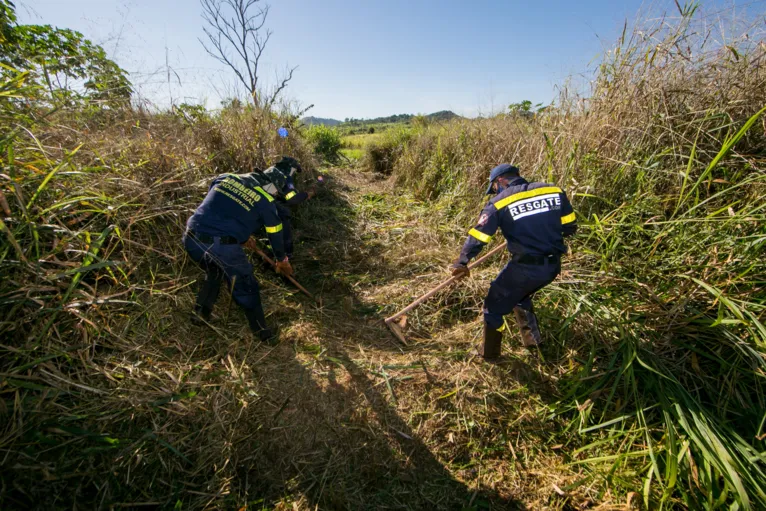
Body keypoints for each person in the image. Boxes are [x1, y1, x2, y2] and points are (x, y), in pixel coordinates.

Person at [450, 164, 577, 360]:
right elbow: (569, 226)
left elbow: (478, 236)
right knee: (519, 294)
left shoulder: (499, 203)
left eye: (493, 187)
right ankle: (533, 342)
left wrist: (462, 262)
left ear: (500, 181)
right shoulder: (553, 190)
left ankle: (489, 355)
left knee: (493, 307)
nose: (494, 191)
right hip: (552, 266)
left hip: (526, 267)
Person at [183, 171, 294, 344]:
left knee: (215, 271)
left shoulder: (226, 177)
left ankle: (200, 314)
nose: (274, 194)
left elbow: (222, 208)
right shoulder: (265, 201)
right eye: (275, 190)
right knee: (246, 284)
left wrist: (240, 237)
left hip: (191, 238)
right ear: (270, 185)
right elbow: (275, 232)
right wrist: (282, 260)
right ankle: (262, 332)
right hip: (220, 246)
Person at [261, 156, 316, 259]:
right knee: (283, 228)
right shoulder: (285, 176)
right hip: (269, 206)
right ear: (291, 167)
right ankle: (286, 256)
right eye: (294, 170)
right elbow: (292, 199)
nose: (294, 173)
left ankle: (267, 252)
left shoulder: (271, 170)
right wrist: (306, 194)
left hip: (255, 204)